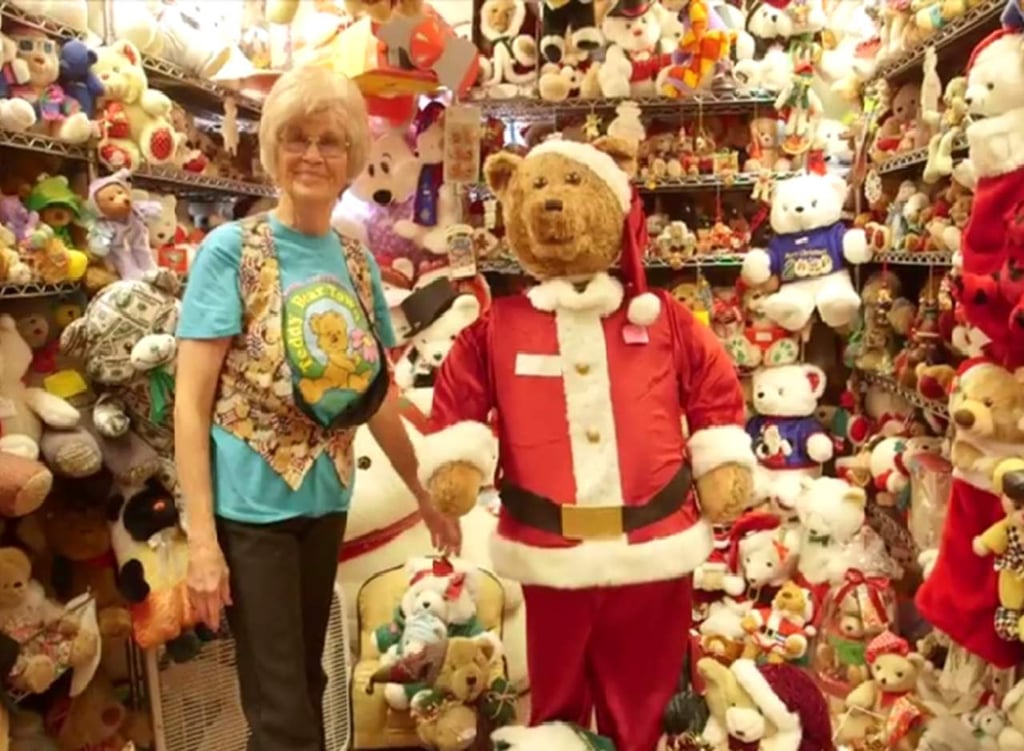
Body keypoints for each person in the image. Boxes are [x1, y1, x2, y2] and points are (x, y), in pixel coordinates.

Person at [174, 65, 461, 751]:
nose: (312, 155)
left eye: (330, 141)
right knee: (284, 715)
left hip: (325, 500)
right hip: (251, 513)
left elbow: (376, 393)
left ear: (352, 159)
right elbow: (189, 404)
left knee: (304, 685)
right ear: (273, 149)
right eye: (297, 138)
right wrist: (204, 542)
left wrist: (424, 490)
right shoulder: (231, 253)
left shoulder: (357, 260)